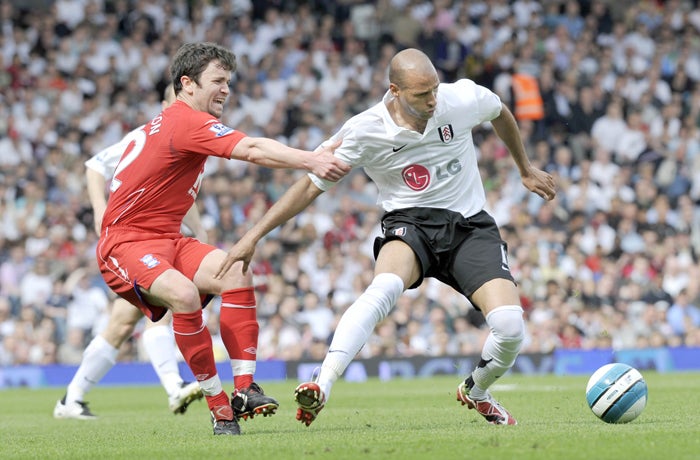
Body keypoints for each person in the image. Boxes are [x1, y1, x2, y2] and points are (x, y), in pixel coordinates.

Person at [216, 48, 556, 427]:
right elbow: (311, 186)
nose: (432, 100)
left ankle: (476, 390)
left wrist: (524, 169)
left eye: (434, 90)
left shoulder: (459, 99)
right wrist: (254, 236)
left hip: (469, 225)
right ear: (395, 90)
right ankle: (322, 382)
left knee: (510, 327)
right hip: (410, 222)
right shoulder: (365, 130)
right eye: (420, 94)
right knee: (384, 288)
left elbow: (499, 112)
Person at [94, 42, 350, 436]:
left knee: (235, 272)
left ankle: (245, 390)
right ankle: (219, 408)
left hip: (167, 238)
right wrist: (311, 159)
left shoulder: (168, 122)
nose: (226, 89)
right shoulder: (185, 121)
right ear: (187, 84)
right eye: (218, 80)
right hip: (125, 243)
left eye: (228, 81)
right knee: (183, 295)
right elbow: (250, 148)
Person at [54, 84, 205, 421]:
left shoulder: (193, 138)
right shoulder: (151, 134)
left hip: (162, 242)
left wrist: (203, 234)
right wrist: (98, 209)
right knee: (162, 307)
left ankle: (71, 399)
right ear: (168, 104)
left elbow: (184, 196)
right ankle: (174, 386)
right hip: (136, 245)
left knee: (122, 321)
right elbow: (95, 165)